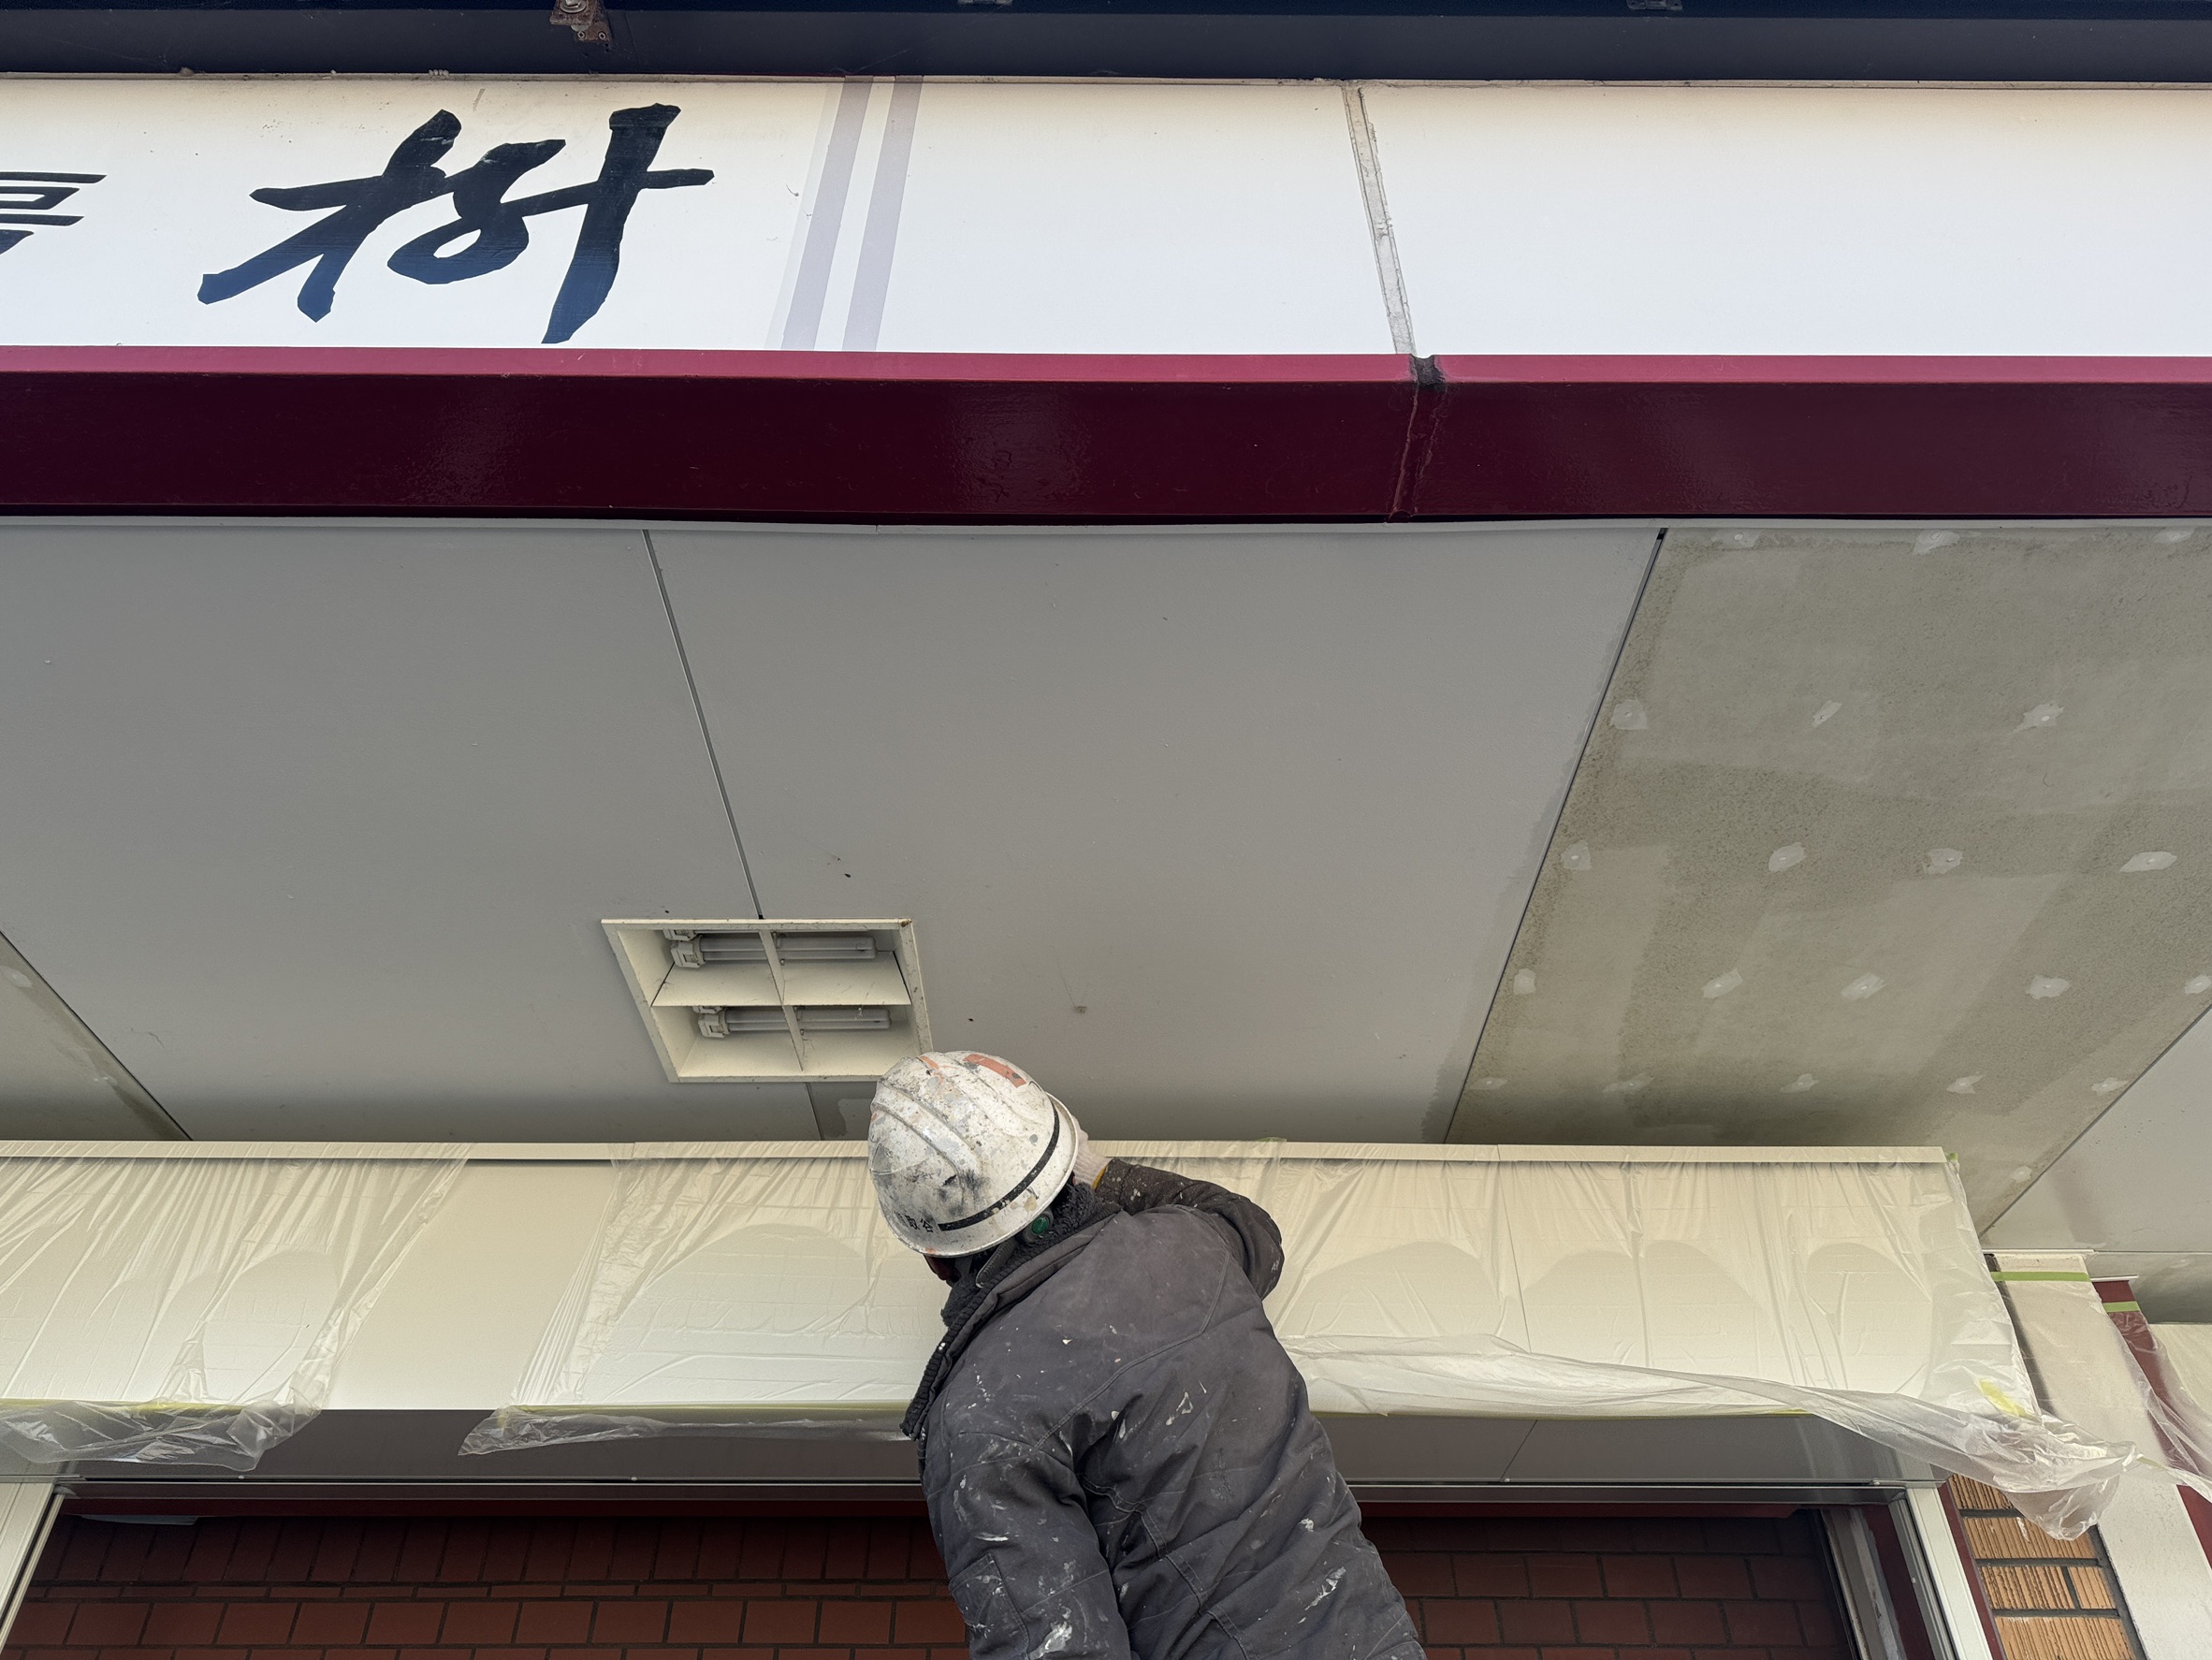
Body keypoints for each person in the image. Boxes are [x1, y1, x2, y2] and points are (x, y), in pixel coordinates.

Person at [867, 1050, 1424, 1660]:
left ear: (935, 1256)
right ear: (1060, 1172)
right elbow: (1249, 1226)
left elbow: (1055, 1645)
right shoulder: (1192, 1245)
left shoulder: (980, 1413)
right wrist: (1102, 1172)